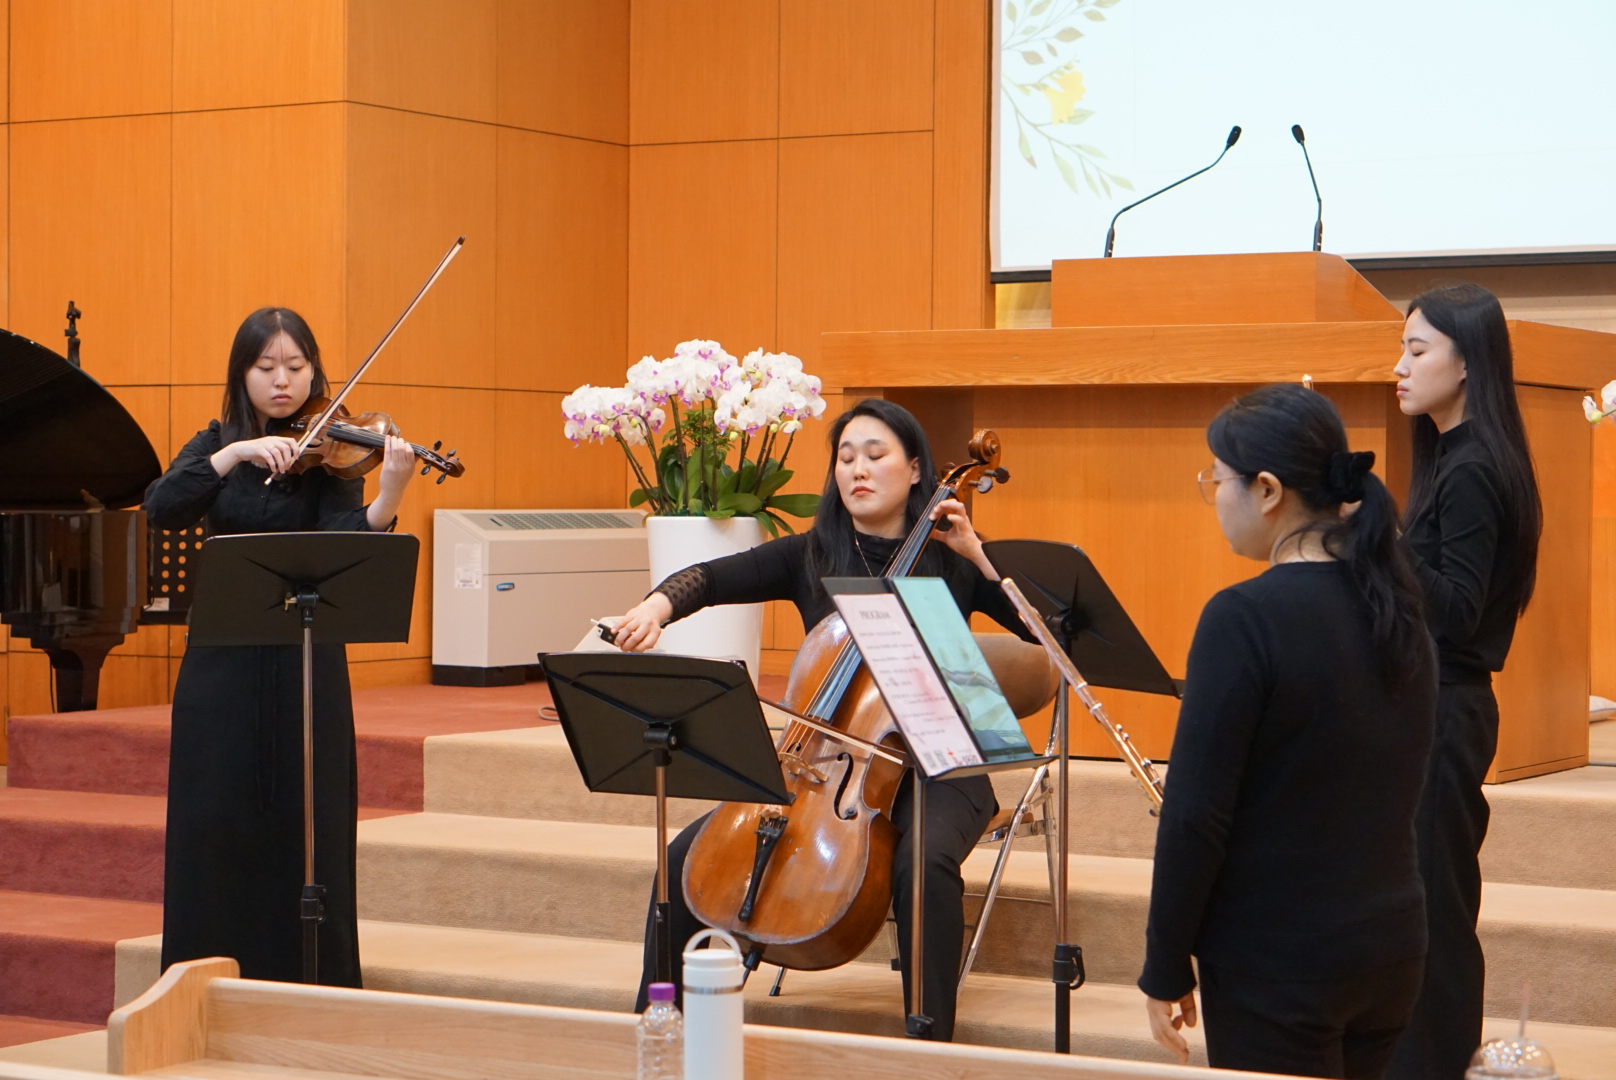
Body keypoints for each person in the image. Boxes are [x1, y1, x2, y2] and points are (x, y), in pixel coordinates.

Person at [610, 398, 1031, 1041]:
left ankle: (929, 1041)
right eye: (845, 457)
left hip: (940, 763)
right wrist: (655, 608)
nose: (857, 469)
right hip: (827, 766)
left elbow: (1044, 629)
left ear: (916, 469)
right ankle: (656, 1028)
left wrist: (979, 555)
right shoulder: (813, 553)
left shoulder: (952, 559)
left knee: (922, 863)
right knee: (683, 856)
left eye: (876, 455)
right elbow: (707, 577)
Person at [1140, 384, 1436, 1079]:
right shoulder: (1398, 607)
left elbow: (1196, 814)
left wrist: (1164, 962)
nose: (1214, 495)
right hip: (1391, 944)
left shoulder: (1243, 617)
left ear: (1267, 490)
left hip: (1278, 957)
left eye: (1218, 479)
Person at [144, 307, 417, 984]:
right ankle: (206, 976)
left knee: (308, 818)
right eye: (266, 367)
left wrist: (389, 495)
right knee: (216, 818)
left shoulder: (330, 454)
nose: (283, 381)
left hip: (305, 659)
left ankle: (311, 978)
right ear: (242, 375)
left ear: (314, 373)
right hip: (223, 665)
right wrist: (234, 455)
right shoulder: (215, 444)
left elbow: (346, 540)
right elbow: (162, 507)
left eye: (296, 367)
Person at [1386, 285, 1542, 1080]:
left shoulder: (1475, 466)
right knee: (1422, 902)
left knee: (1438, 912)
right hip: (1431, 703)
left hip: (1450, 708)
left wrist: (1380, 536)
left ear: (1467, 363)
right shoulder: (1453, 453)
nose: (1399, 367)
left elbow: (1455, 610)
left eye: (1417, 350)